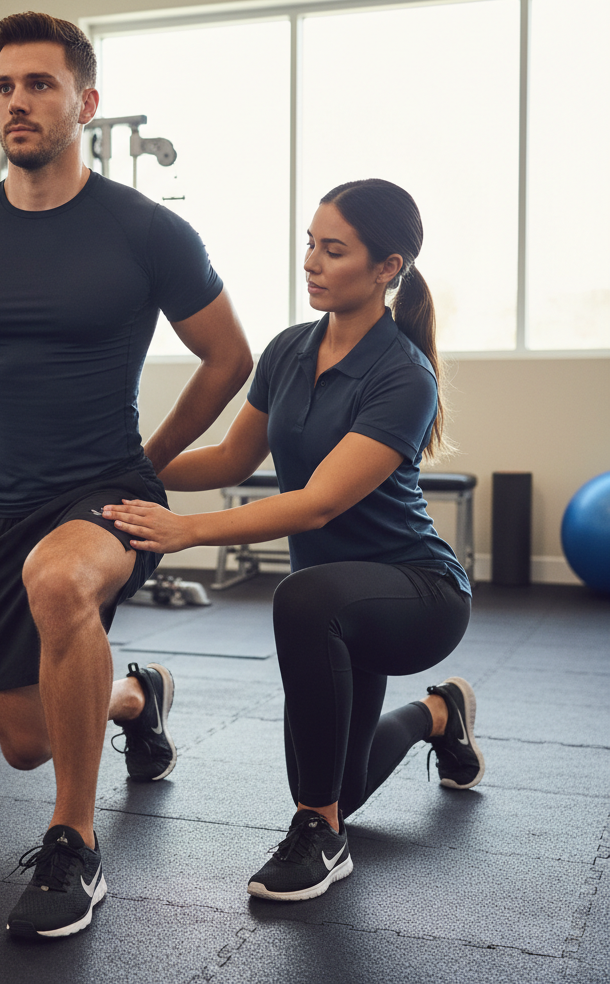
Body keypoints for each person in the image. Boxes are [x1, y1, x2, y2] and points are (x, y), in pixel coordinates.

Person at [0, 11, 253, 938]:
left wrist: (152, 464)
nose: (18, 102)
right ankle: (139, 699)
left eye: (41, 85)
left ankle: (75, 845)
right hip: (4, 500)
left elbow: (228, 356)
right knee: (28, 742)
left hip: (107, 493)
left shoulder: (147, 232)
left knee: (60, 582)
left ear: (85, 103)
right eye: (4, 86)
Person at [103, 178, 481, 902]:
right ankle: (439, 714)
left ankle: (320, 834)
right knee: (341, 779)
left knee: (304, 603)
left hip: (417, 596)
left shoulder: (405, 376)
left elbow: (315, 505)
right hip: (334, 611)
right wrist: (124, 471)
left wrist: (186, 531)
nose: (310, 260)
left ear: (386, 269)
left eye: (333, 249)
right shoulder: (286, 351)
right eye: (309, 242)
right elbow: (228, 461)